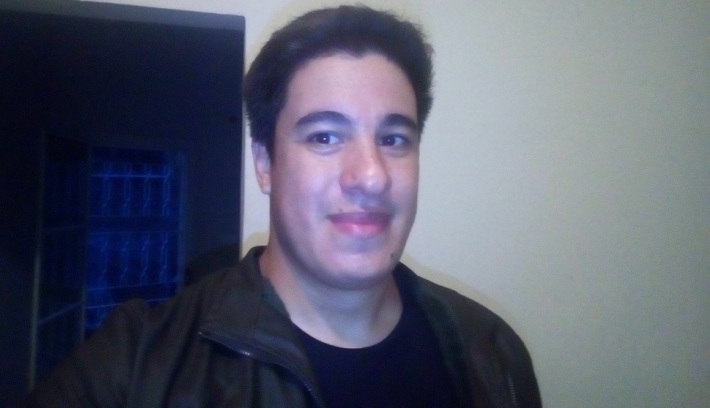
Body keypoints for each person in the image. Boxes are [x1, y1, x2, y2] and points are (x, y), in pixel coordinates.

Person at [27, 5, 541, 407]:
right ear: (265, 163)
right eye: (324, 136)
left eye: (393, 139)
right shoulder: (138, 362)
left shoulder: (492, 352)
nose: (371, 175)